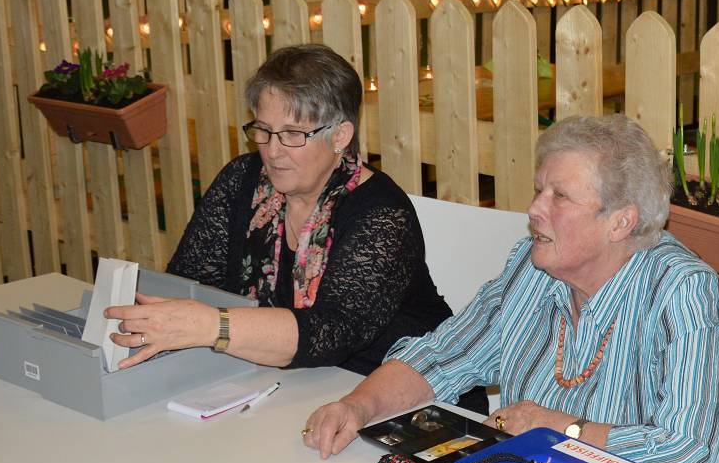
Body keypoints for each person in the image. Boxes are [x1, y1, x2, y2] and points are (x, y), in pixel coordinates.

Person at [301, 114, 719, 463]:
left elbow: (686, 454)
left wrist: (558, 428)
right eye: (539, 190)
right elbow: (442, 357)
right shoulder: (533, 267)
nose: (534, 210)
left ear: (621, 222)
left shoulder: (682, 290)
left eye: (559, 197)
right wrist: (357, 406)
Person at [104, 45, 469, 401]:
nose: (272, 150)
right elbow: (189, 279)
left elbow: (330, 333)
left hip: (397, 396)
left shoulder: (382, 214)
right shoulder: (241, 180)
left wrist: (213, 326)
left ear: (340, 136)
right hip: (280, 385)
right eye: (263, 130)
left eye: (293, 134)